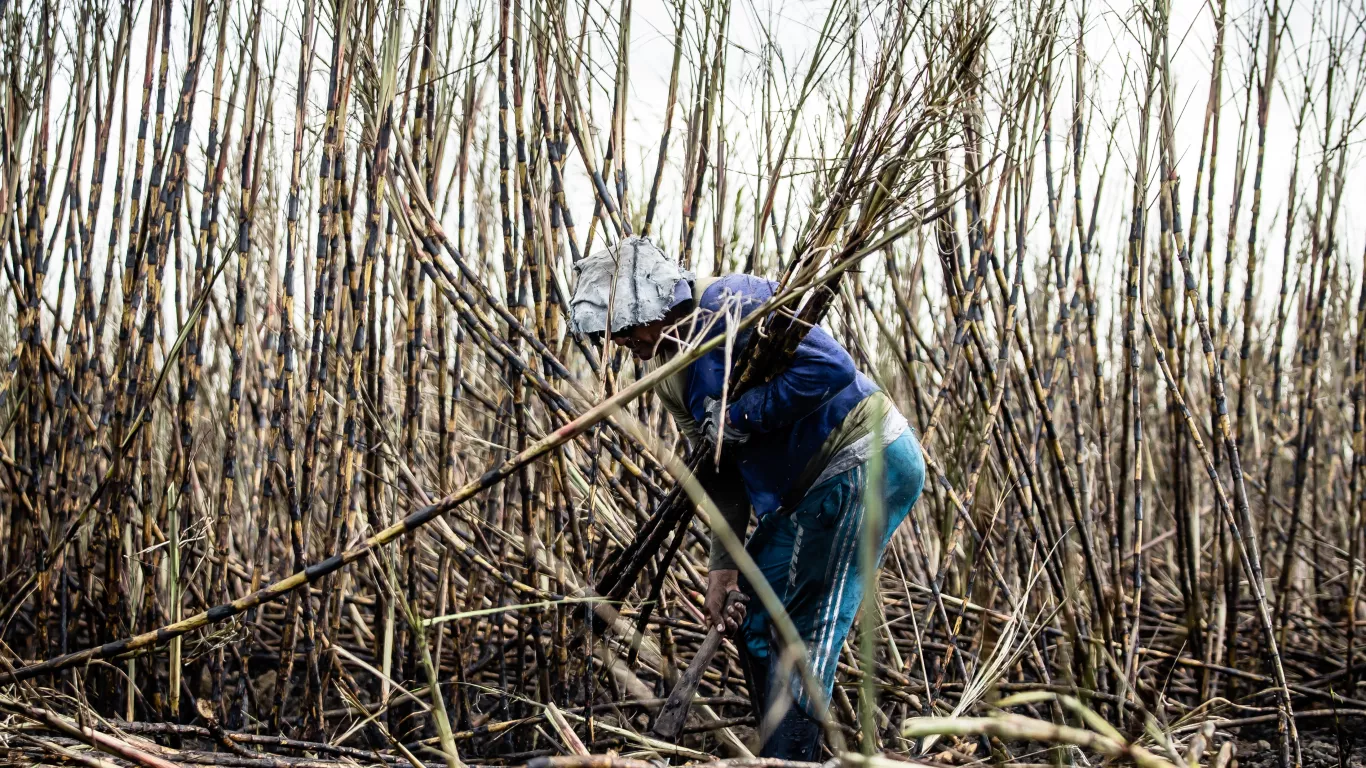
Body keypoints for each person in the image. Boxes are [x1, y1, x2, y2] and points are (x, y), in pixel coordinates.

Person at [570, 237, 926, 760]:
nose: (623, 340)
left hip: (860, 462)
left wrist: (740, 415)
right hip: (803, 494)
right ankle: (786, 753)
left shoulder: (730, 304)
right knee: (757, 623)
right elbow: (719, 470)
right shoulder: (669, 374)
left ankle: (793, 758)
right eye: (613, 334)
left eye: (625, 326)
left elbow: (832, 369)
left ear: (652, 302)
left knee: (796, 639)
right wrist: (723, 570)